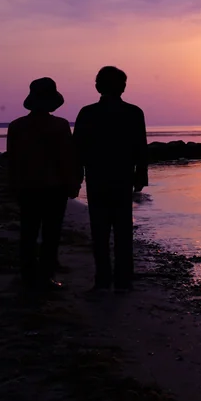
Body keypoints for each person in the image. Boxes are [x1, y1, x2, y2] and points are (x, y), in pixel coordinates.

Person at [73, 66, 148, 293]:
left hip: (97, 178)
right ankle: (123, 281)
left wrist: (77, 177)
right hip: (122, 178)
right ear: (122, 87)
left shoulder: (87, 113)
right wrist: (140, 175)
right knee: (123, 231)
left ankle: (103, 280)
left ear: (98, 86)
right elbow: (141, 148)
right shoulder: (134, 113)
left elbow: (77, 149)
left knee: (100, 231)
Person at [6, 78, 81, 292]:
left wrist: (13, 185)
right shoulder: (59, 125)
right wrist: (73, 183)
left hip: (27, 187)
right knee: (51, 233)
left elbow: (13, 160)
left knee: (28, 232)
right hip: (53, 188)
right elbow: (67, 158)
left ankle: (28, 274)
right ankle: (45, 276)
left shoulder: (17, 126)